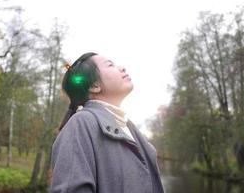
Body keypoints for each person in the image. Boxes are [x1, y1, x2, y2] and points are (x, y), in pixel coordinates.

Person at [49, 52, 164, 193]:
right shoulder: (81, 125)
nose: (122, 68)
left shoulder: (130, 128)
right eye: (110, 65)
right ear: (95, 86)